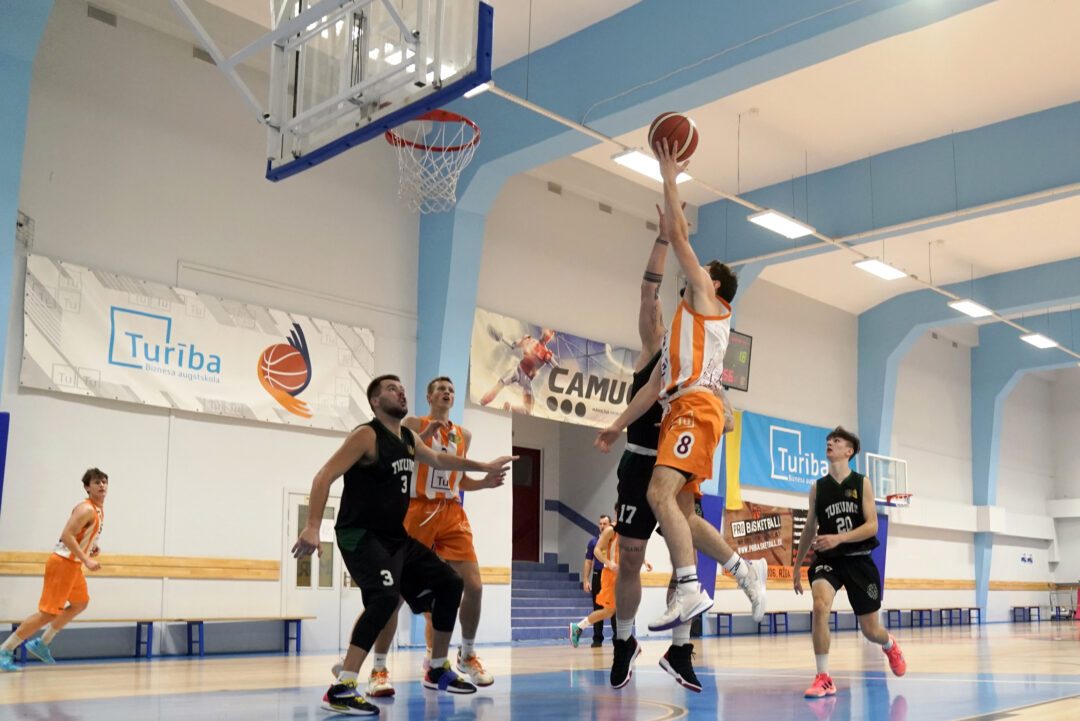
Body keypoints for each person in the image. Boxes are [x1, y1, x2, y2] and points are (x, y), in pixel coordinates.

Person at [598, 199, 766, 691]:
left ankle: (682, 647)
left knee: (683, 549)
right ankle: (625, 640)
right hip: (642, 458)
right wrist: (662, 237)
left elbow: (725, 416)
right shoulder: (660, 345)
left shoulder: (698, 344)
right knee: (633, 556)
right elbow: (648, 289)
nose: (656, 309)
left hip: (679, 445)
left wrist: (721, 412)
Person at [293, 374, 514, 716]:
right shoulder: (367, 435)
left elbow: (440, 461)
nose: (400, 391)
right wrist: (311, 526)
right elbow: (324, 475)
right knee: (384, 598)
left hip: (395, 536)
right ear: (375, 401)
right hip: (360, 534)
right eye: (391, 389)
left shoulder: (408, 438)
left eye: (401, 388)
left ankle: (437, 667)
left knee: (451, 583)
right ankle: (342, 687)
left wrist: (483, 467)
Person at [361, 376, 504, 696]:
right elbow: (406, 456)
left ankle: (467, 655)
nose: (447, 393)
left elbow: (458, 479)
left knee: (474, 586)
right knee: (393, 595)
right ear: (429, 397)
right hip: (417, 510)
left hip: (451, 512)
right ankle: (378, 668)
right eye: (441, 389)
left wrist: (483, 484)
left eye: (451, 390)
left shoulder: (464, 435)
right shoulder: (414, 424)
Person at [792, 426, 907, 698]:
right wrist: (797, 566)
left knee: (870, 631)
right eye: (828, 440)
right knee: (820, 606)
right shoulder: (817, 488)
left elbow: (872, 526)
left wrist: (839, 538)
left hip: (858, 560)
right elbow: (809, 528)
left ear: (849, 450)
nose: (830, 443)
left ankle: (890, 645)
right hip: (828, 561)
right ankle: (823, 678)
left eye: (837, 440)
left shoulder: (861, 483)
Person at [1, 468, 108, 672]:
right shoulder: (85, 508)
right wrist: (85, 558)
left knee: (80, 603)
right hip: (63, 564)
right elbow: (66, 535)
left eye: (104, 481)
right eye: (96, 482)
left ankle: (42, 643)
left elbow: (80, 536)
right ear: (87, 488)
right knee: (47, 613)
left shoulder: (98, 509)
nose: (102, 485)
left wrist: (91, 547)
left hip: (73, 565)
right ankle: (4, 650)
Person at [570, 511, 651, 648]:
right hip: (609, 575)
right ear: (618, 512)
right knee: (609, 610)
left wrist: (645, 561)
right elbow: (596, 551)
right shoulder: (611, 530)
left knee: (628, 607)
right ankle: (580, 628)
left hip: (623, 575)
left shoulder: (629, 530)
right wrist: (609, 564)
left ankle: (625, 639)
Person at [478, 328, 557, 413]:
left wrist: (554, 364)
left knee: (528, 410)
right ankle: (482, 402)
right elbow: (513, 345)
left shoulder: (547, 354)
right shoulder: (529, 341)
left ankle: (510, 409)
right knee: (500, 385)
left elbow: (556, 367)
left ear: (549, 338)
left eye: (547, 335)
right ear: (543, 333)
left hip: (527, 380)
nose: (545, 336)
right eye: (545, 334)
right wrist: (502, 338)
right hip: (517, 370)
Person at [583, 514, 614, 647]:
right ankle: (597, 638)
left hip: (611, 576)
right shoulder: (593, 542)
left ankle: (617, 638)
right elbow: (588, 562)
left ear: (610, 525)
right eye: (600, 524)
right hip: (598, 575)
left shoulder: (614, 541)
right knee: (597, 607)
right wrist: (585, 580)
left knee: (613, 607)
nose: (602, 526)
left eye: (604, 524)